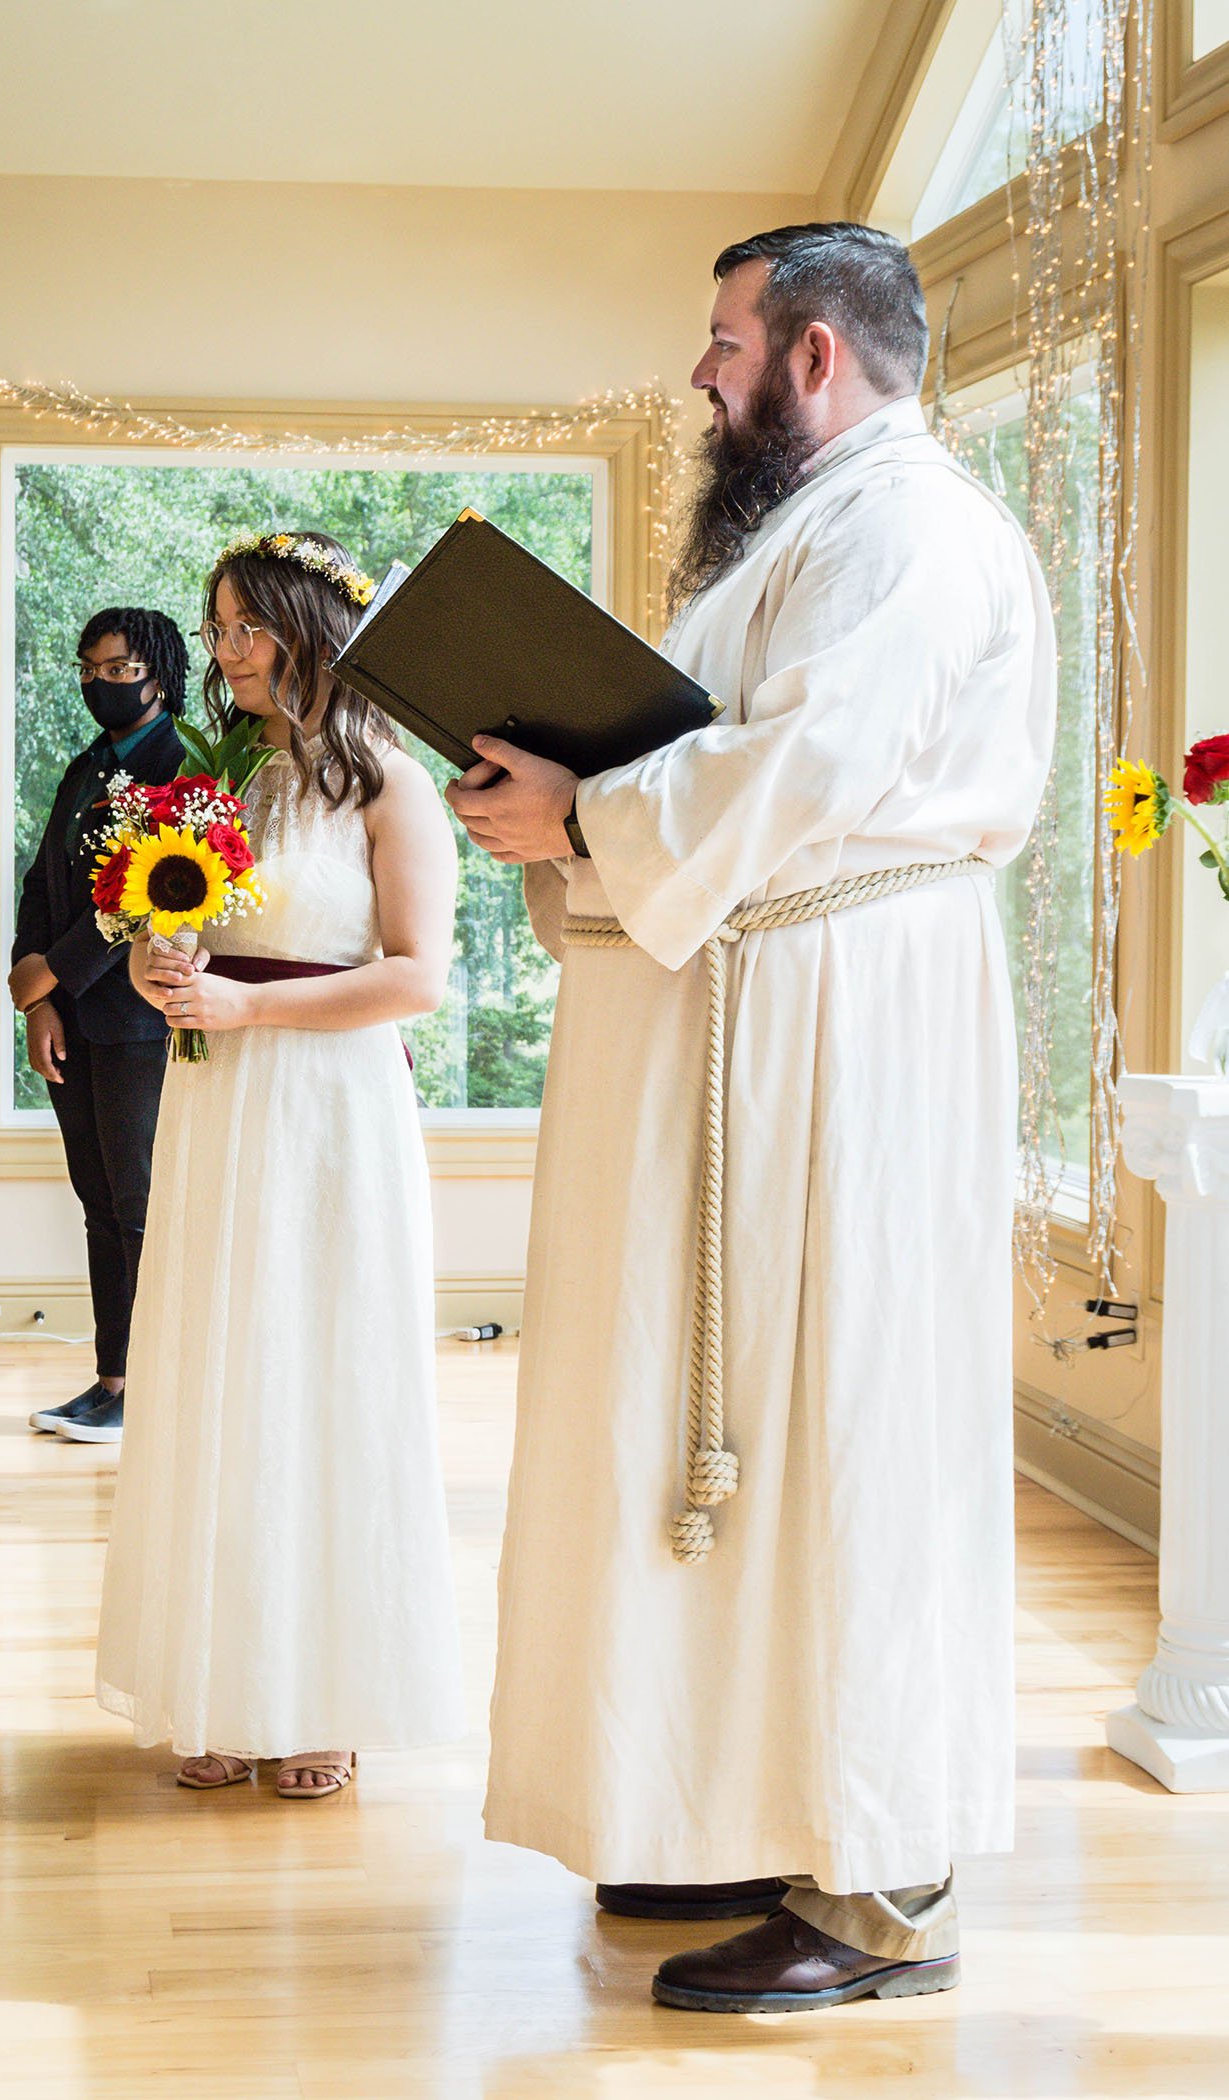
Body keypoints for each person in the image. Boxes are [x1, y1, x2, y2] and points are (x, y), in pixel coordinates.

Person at [447, 223, 1055, 2011]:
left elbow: (805, 765)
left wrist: (583, 813)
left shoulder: (915, 528)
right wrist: (569, 796)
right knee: (734, 1423)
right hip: (759, 1010)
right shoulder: (814, 525)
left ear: (811, 356)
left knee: (840, 1414)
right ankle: (733, 1805)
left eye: (724, 342)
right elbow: (721, 740)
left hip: (841, 1031)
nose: (702, 373)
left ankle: (882, 1884)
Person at [95, 530, 465, 1800]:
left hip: (329, 1107)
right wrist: (156, 962)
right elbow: (173, 915)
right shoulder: (218, 783)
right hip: (217, 1106)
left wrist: (252, 1014)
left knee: (322, 1375)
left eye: (246, 626)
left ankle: (327, 1696)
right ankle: (219, 1678)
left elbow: (420, 976)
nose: (226, 652)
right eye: (218, 629)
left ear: (313, 625)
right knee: (218, 1373)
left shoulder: (389, 788)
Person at [10, 608, 188, 1445]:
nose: (100, 684)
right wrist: (36, 990)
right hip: (72, 1019)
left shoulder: (183, 763)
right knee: (96, 1201)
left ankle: (154, 1383)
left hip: (142, 1019)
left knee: (139, 1201)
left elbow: (152, 891)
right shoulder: (84, 766)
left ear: (158, 671)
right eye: (89, 669)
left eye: (117, 670)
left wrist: (59, 969)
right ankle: (112, 1375)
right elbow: (41, 881)